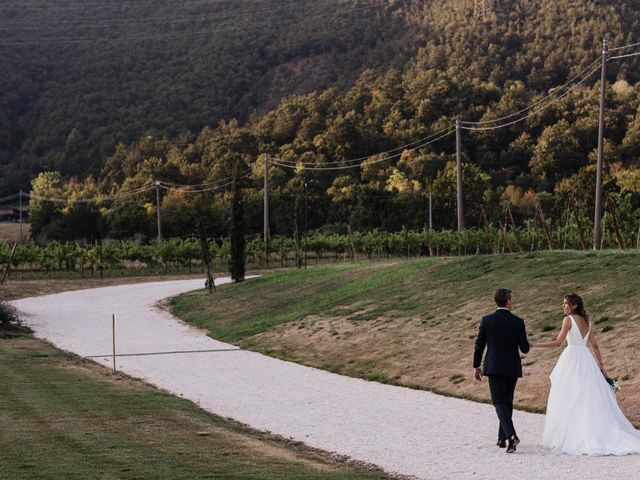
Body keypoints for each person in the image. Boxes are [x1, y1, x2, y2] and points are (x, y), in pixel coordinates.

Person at [533, 293, 640, 455]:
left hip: (572, 360)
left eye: (565, 303)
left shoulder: (568, 320)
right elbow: (595, 346)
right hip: (586, 360)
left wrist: (534, 344)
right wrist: (601, 367)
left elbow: (557, 343)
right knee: (587, 396)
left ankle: (573, 433)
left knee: (569, 396)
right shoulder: (587, 323)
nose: (563, 306)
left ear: (574, 305)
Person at [473, 288, 530, 453]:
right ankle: (502, 438)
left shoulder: (487, 320)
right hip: (512, 367)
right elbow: (524, 349)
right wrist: (528, 343)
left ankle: (511, 436)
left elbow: (479, 345)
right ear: (508, 300)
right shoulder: (518, 322)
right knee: (506, 402)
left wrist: (476, 365)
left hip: (494, 366)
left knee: (499, 402)